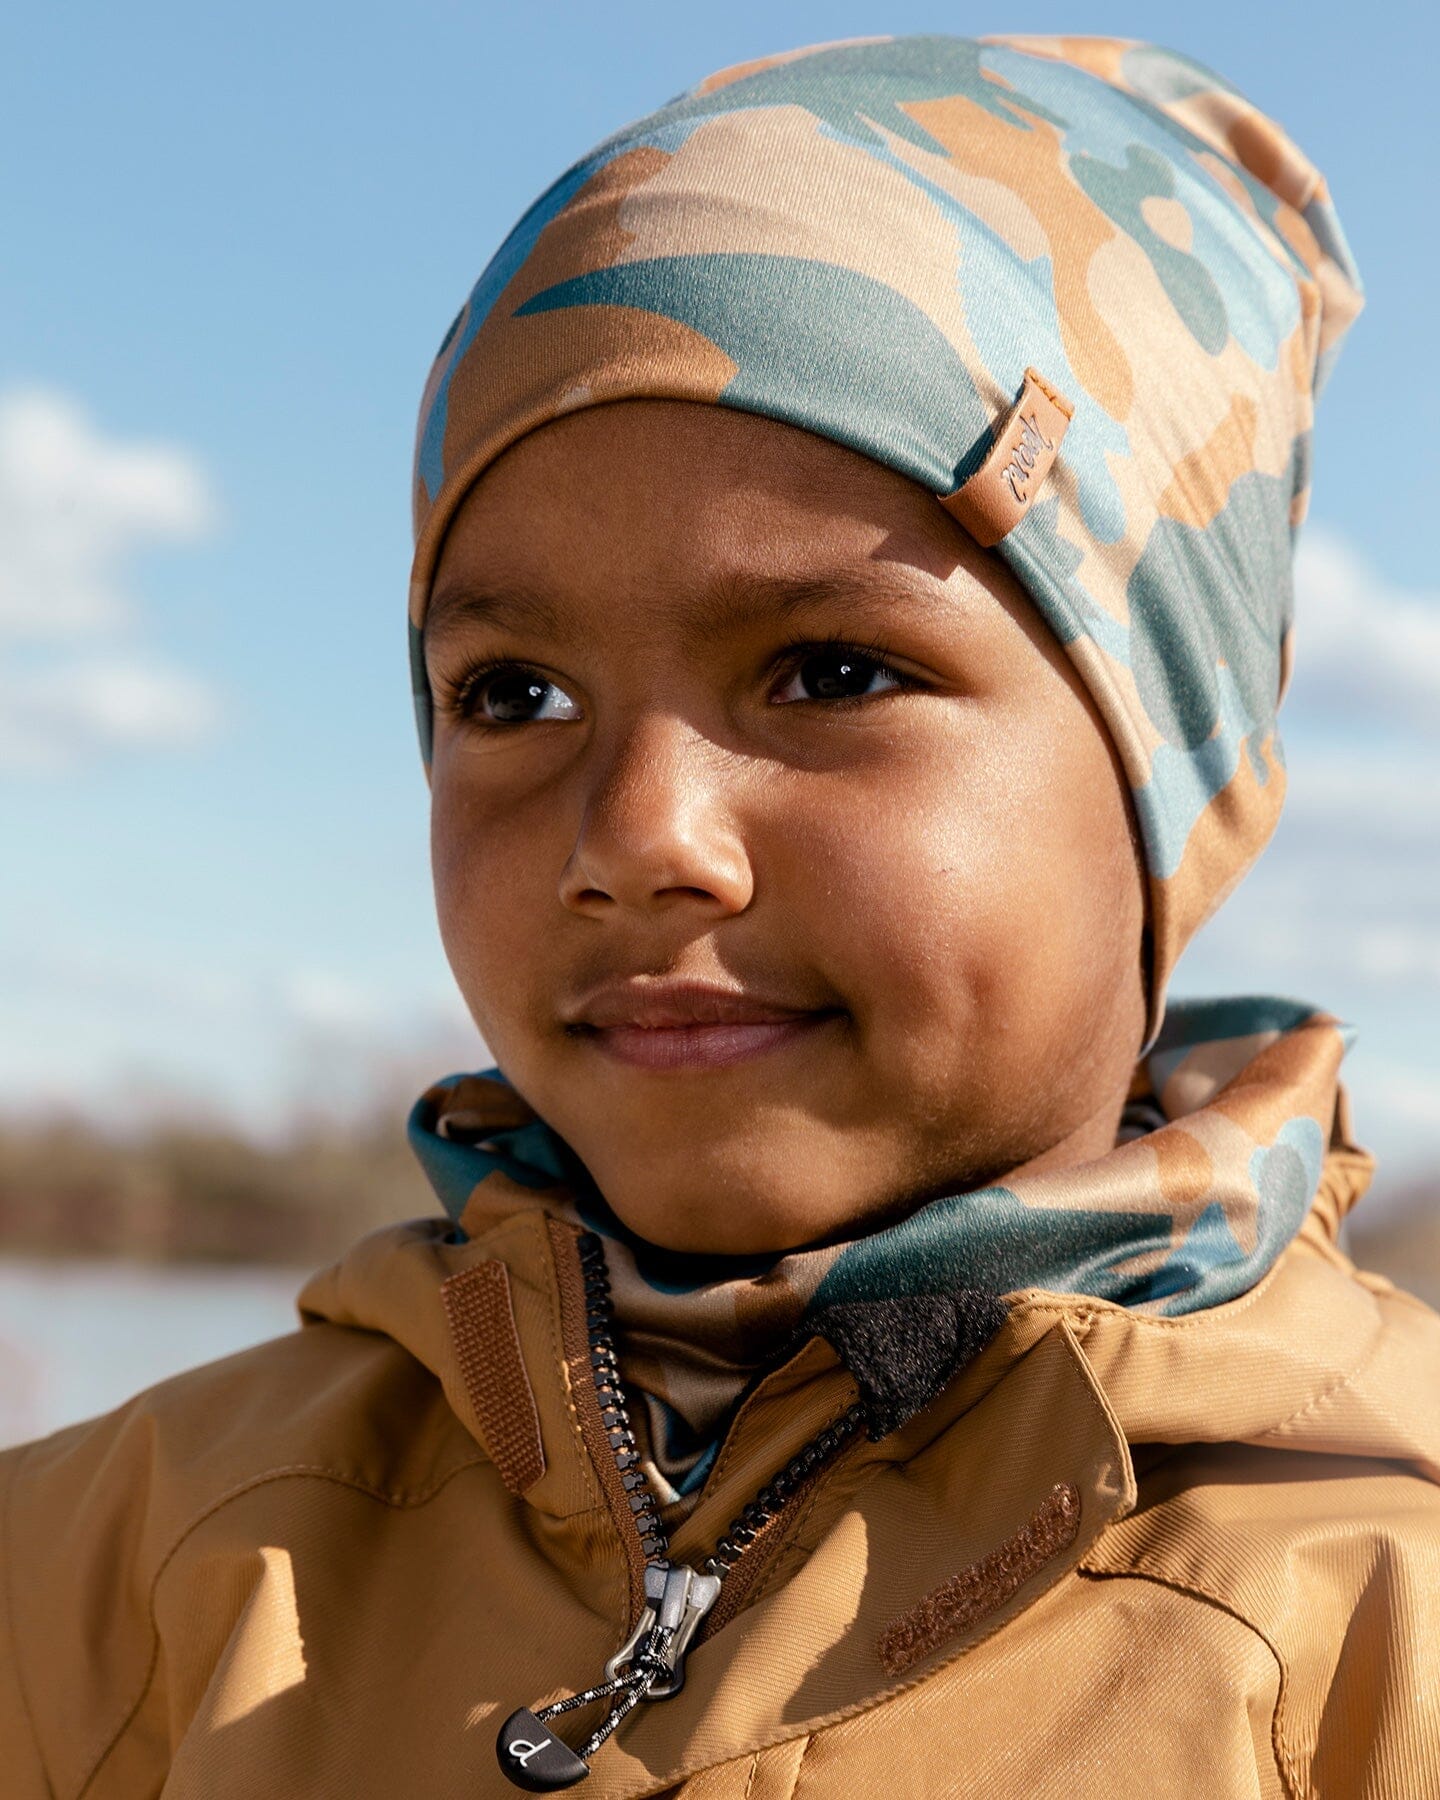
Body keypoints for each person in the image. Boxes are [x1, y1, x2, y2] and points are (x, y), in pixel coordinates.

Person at [3, 33, 1438, 1799]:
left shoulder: (1385, 1617)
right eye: (513, 695)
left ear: (1173, 784)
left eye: (831, 671)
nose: (640, 840)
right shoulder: (97, 1577)